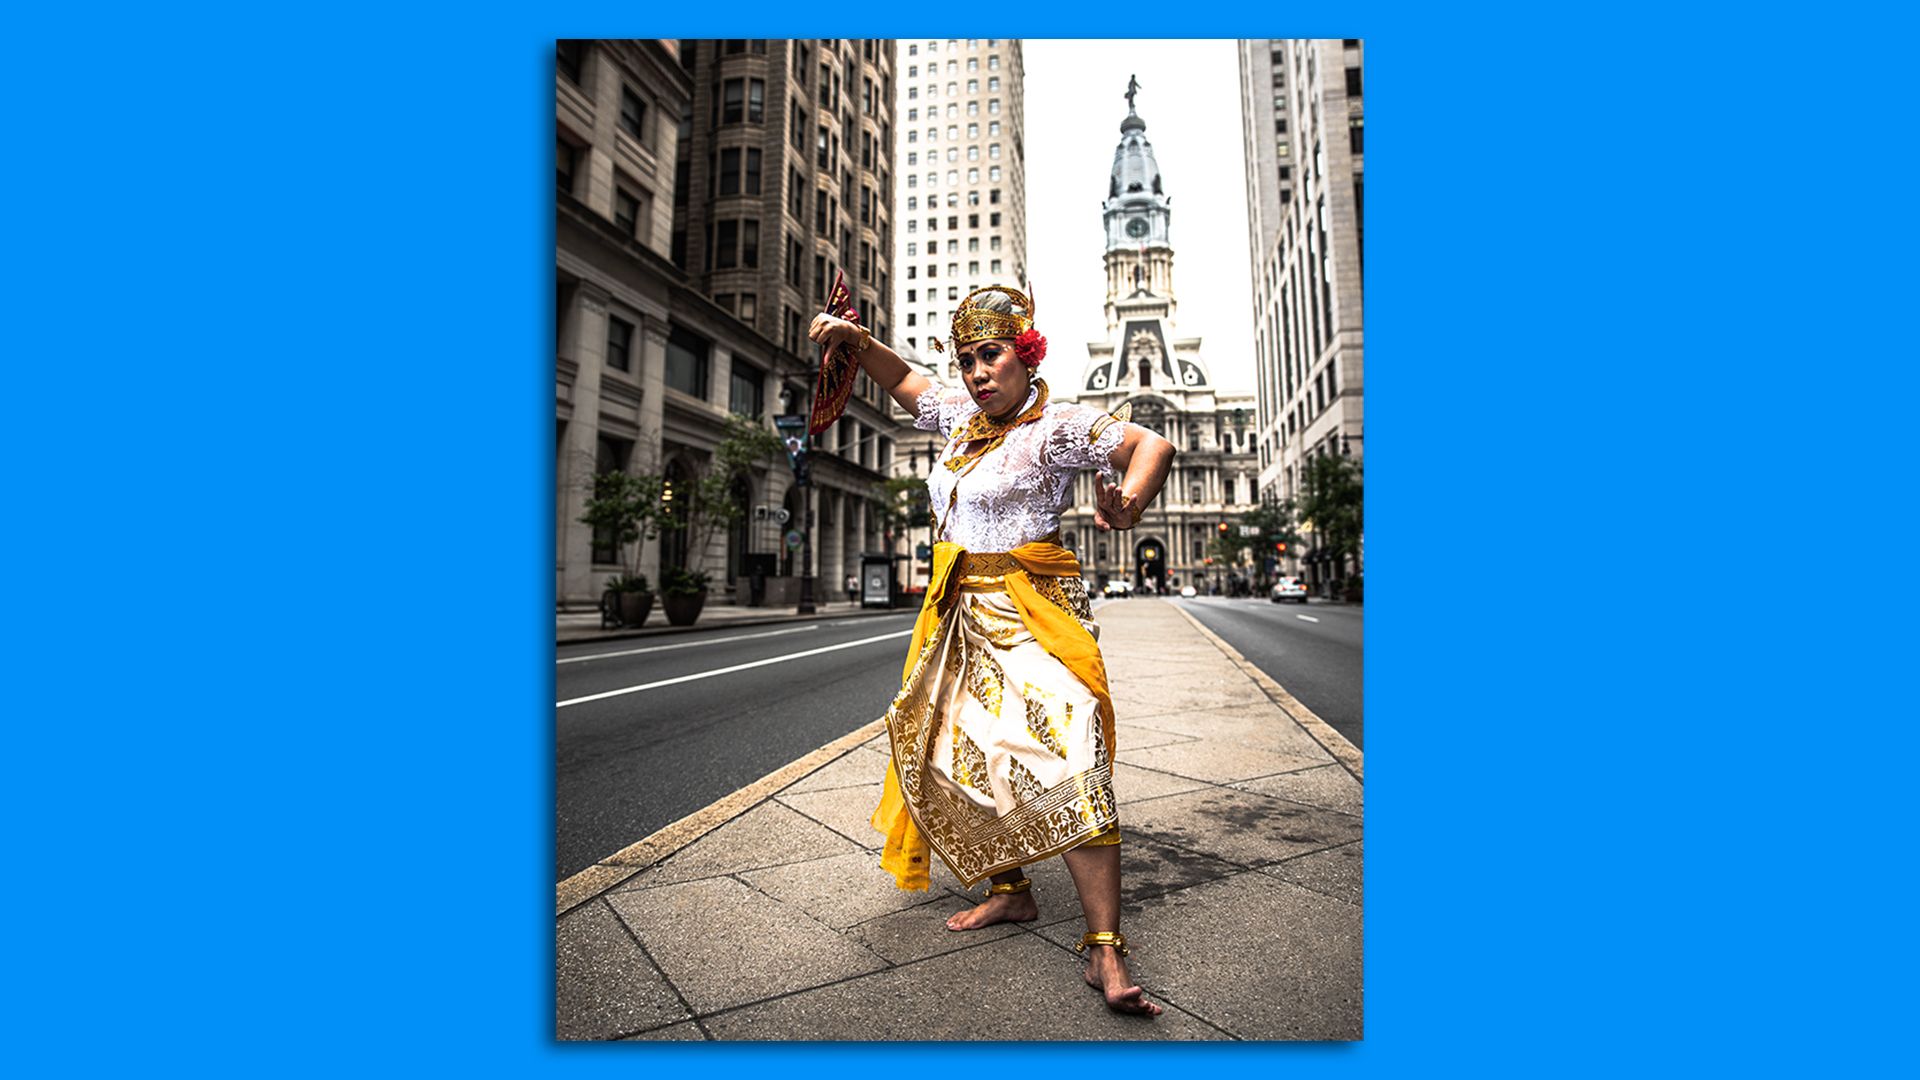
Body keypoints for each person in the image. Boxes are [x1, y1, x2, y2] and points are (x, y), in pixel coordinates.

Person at [808, 285, 1176, 1017]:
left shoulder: (1058, 427)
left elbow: (1152, 446)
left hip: (1033, 614)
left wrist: (1130, 503)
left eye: (991, 355)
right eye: (967, 360)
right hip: (958, 614)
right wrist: (854, 341)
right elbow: (901, 377)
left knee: (1073, 755)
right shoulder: (958, 416)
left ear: (1025, 355)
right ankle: (1010, 890)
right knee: (966, 755)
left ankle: (1105, 945)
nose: (977, 373)